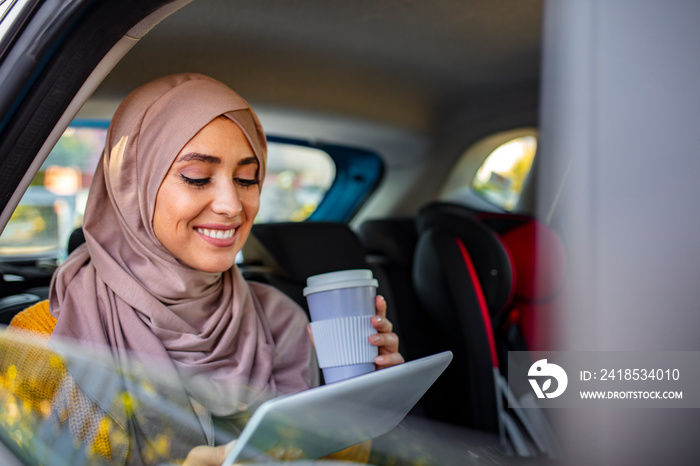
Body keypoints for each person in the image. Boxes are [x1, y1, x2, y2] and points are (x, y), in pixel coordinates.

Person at [2, 73, 403, 464]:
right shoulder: (41, 339)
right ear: (131, 184)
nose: (232, 205)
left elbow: (337, 457)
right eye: (197, 177)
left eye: (247, 179)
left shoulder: (281, 318)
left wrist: (362, 393)